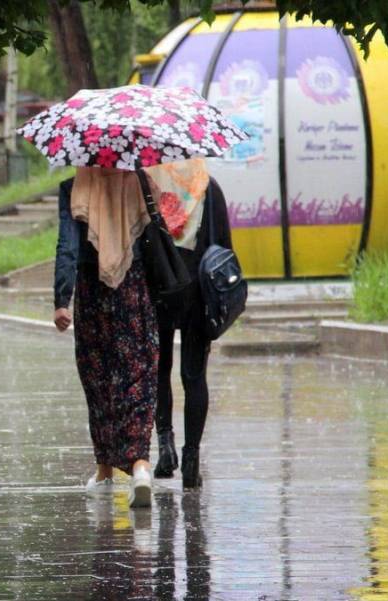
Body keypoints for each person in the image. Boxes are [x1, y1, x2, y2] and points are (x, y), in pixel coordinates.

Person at [53, 167, 158, 509]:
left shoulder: (73, 187)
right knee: (138, 375)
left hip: (91, 291)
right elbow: (161, 233)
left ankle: (105, 473)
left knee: (98, 380)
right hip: (134, 288)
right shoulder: (140, 182)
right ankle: (140, 466)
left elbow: (67, 246)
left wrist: (61, 300)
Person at [146, 160, 233, 489]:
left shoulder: (149, 186)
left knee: (159, 371)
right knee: (194, 376)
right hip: (198, 293)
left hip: (159, 289)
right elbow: (224, 249)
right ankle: (192, 459)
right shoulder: (210, 188)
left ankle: (166, 449)